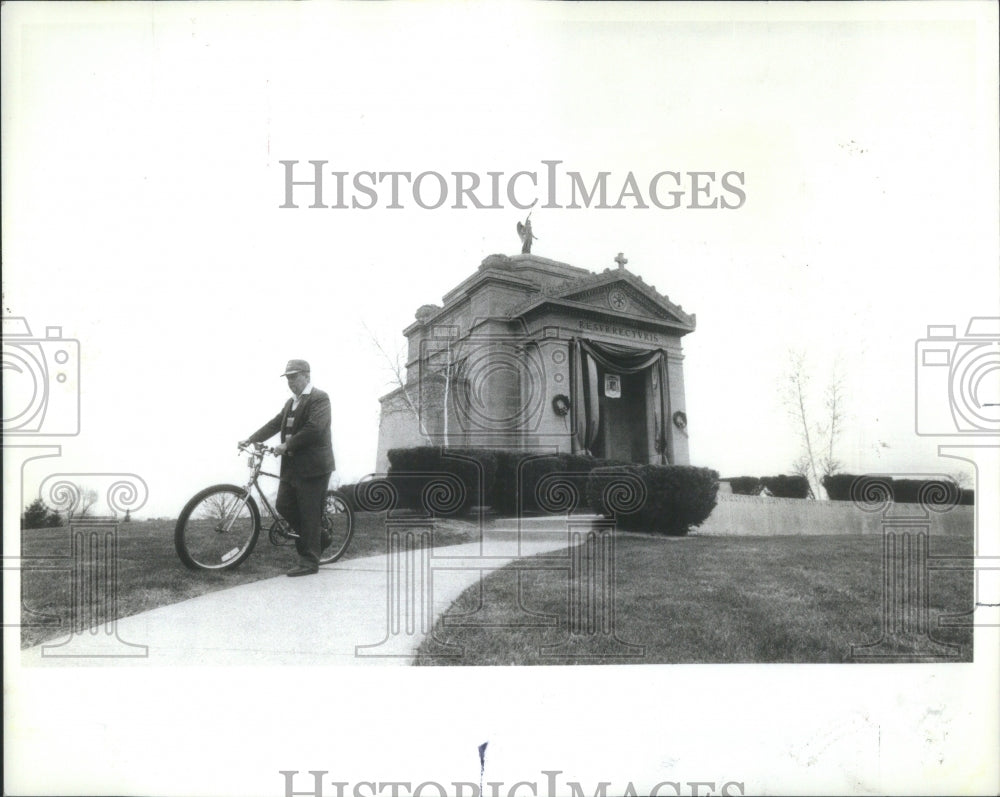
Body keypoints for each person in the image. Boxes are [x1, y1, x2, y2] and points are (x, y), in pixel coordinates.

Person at [239, 359, 336, 577]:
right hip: (292, 466)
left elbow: (315, 428)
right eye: (288, 378)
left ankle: (310, 562)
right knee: (283, 505)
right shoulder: (290, 402)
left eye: (294, 376)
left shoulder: (319, 398)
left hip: (314, 466)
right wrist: (250, 439)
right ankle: (319, 538)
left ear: (306, 376)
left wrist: (286, 445)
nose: (290, 382)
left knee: (309, 512)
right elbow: (275, 423)